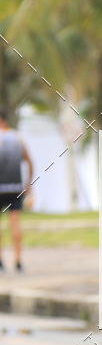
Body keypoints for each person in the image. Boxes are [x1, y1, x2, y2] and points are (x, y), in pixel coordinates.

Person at [0, 110, 33, 273]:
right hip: (15, 188)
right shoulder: (17, 137)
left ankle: (0, 261)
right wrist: (29, 185)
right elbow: (29, 161)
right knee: (15, 224)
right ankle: (18, 261)